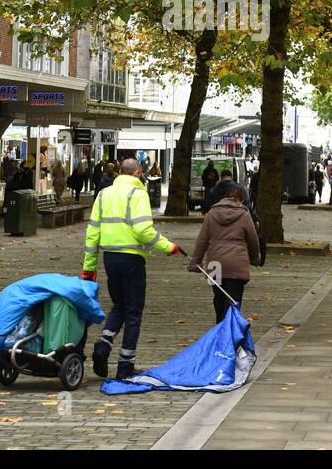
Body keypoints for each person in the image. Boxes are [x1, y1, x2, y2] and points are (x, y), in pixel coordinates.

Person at [81, 158, 180, 379]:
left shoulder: (104, 194)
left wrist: (89, 267)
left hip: (110, 259)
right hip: (132, 259)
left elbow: (92, 232)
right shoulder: (138, 194)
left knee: (119, 306)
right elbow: (143, 230)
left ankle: (103, 345)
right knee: (134, 312)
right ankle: (125, 366)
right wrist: (168, 247)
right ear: (136, 173)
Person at [189, 184, 262, 323]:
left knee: (218, 299)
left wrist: (196, 261)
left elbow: (202, 240)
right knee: (233, 302)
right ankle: (228, 335)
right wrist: (255, 257)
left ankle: (219, 327)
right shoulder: (244, 215)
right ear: (242, 199)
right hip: (237, 263)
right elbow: (253, 240)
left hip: (215, 263)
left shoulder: (211, 214)